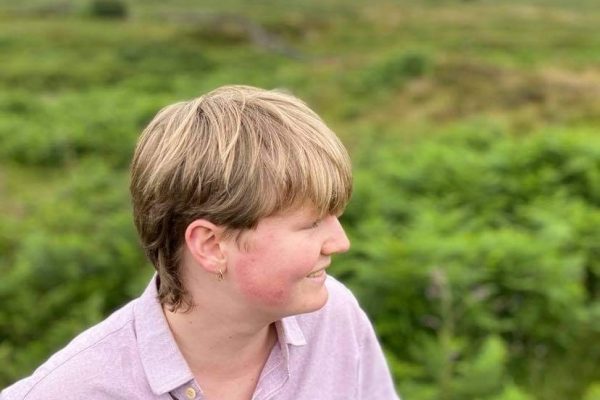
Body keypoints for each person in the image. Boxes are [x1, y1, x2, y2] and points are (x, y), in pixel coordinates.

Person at [1, 85, 399, 399]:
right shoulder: (75, 392)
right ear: (210, 245)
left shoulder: (334, 319)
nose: (340, 242)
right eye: (311, 223)